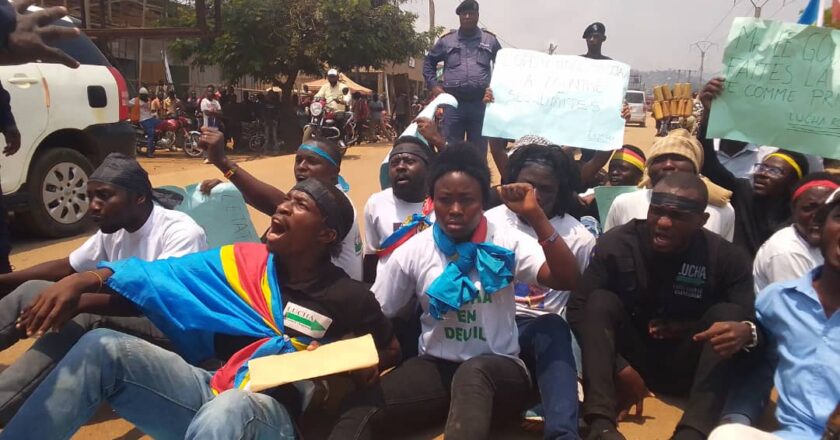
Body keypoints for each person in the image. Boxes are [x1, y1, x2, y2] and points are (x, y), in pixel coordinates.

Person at [0, 178, 401, 440]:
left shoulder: (350, 296)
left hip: (273, 416)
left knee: (231, 408)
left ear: (326, 234)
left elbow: (391, 350)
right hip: (210, 386)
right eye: (285, 199)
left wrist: (354, 363)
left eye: (298, 205)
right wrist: (84, 279)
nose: (280, 208)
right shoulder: (241, 263)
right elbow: (160, 279)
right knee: (103, 345)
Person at [330, 143, 580, 440]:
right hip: (436, 368)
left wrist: (537, 216)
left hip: (499, 371)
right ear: (432, 200)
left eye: (467, 200)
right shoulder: (413, 251)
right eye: (445, 200)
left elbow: (566, 278)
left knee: (473, 374)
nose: (456, 210)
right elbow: (378, 310)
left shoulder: (505, 242)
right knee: (359, 407)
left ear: (483, 200)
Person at [0, 153, 207, 424]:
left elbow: (159, 302)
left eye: (104, 196)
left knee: (85, 314)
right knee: (35, 288)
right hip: (132, 317)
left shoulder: (181, 232)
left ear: (139, 198)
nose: (93, 206)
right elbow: (69, 266)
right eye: (90, 197)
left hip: (176, 332)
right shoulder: (115, 227)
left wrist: (79, 300)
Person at [568, 172, 757, 440]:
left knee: (728, 316)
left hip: (687, 364)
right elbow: (577, 308)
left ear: (702, 220)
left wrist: (738, 330)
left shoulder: (726, 258)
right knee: (600, 301)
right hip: (629, 360)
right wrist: (619, 367)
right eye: (657, 211)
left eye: (678, 216)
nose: (664, 223)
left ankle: (693, 430)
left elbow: (750, 319)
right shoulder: (617, 243)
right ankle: (601, 424)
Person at [710, 188, 840, 440]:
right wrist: (747, 332)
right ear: (820, 226)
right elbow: (761, 362)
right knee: (728, 434)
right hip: (796, 435)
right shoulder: (779, 299)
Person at [486, 144, 596, 439]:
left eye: (545, 189)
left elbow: (578, 300)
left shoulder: (579, 237)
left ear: (561, 190)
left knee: (553, 326)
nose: (533, 196)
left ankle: (562, 432)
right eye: (527, 185)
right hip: (490, 324)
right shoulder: (488, 222)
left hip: (542, 334)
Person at [200, 128, 364, 281]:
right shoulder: (316, 197)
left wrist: (223, 162)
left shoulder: (337, 204)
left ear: (334, 172)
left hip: (330, 303)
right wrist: (230, 191)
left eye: (312, 161)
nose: (302, 167)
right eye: (298, 160)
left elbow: (274, 203)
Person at [698, 78, 810, 255]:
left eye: (774, 171)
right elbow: (710, 164)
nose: (762, 174)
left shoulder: (802, 219)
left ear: (794, 183)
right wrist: (708, 116)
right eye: (761, 168)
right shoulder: (744, 194)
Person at [604, 129, 736, 241]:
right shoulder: (624, 203)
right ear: (649, 170)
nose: (668, 165)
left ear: (695, 169)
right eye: (659, 160)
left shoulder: (722, 212)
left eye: (678, 158)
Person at [422, 0, 501, 152]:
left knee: (478, 152)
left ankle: (477, 176)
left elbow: (504, 66)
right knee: (449, 150)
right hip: (453, 105)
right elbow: (428, 63)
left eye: (471, 13)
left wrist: (495, 89)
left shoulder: (490, 40)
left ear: (477, 15)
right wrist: (435, 87)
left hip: (480, 104)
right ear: (459, 17)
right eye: (463, 14)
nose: (467, 16)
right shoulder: (446, 40)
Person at [363, 136, 435, 284]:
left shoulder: (442, 203)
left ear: (428, 168)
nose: (400, 167)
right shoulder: (376, 203)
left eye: (409, 161)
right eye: (394, 163)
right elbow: (371, 256)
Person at [753, 173, 839, 293]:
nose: (818, 216)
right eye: (808, 208)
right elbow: (802, 307)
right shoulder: (786, 250)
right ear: (793, 210)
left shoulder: (830, 245)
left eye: (826, 210)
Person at [129, 87, 160, 158]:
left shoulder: (148, 100)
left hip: (150, 118)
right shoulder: (135, 100)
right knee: (151, 133)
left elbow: (149, 111)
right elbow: (126, 105)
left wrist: (154, 115)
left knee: (161, 125)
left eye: (145, 95)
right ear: (140, 95)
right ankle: (149, 152)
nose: (145, 96)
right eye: (143, 95)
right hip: (143, 120)